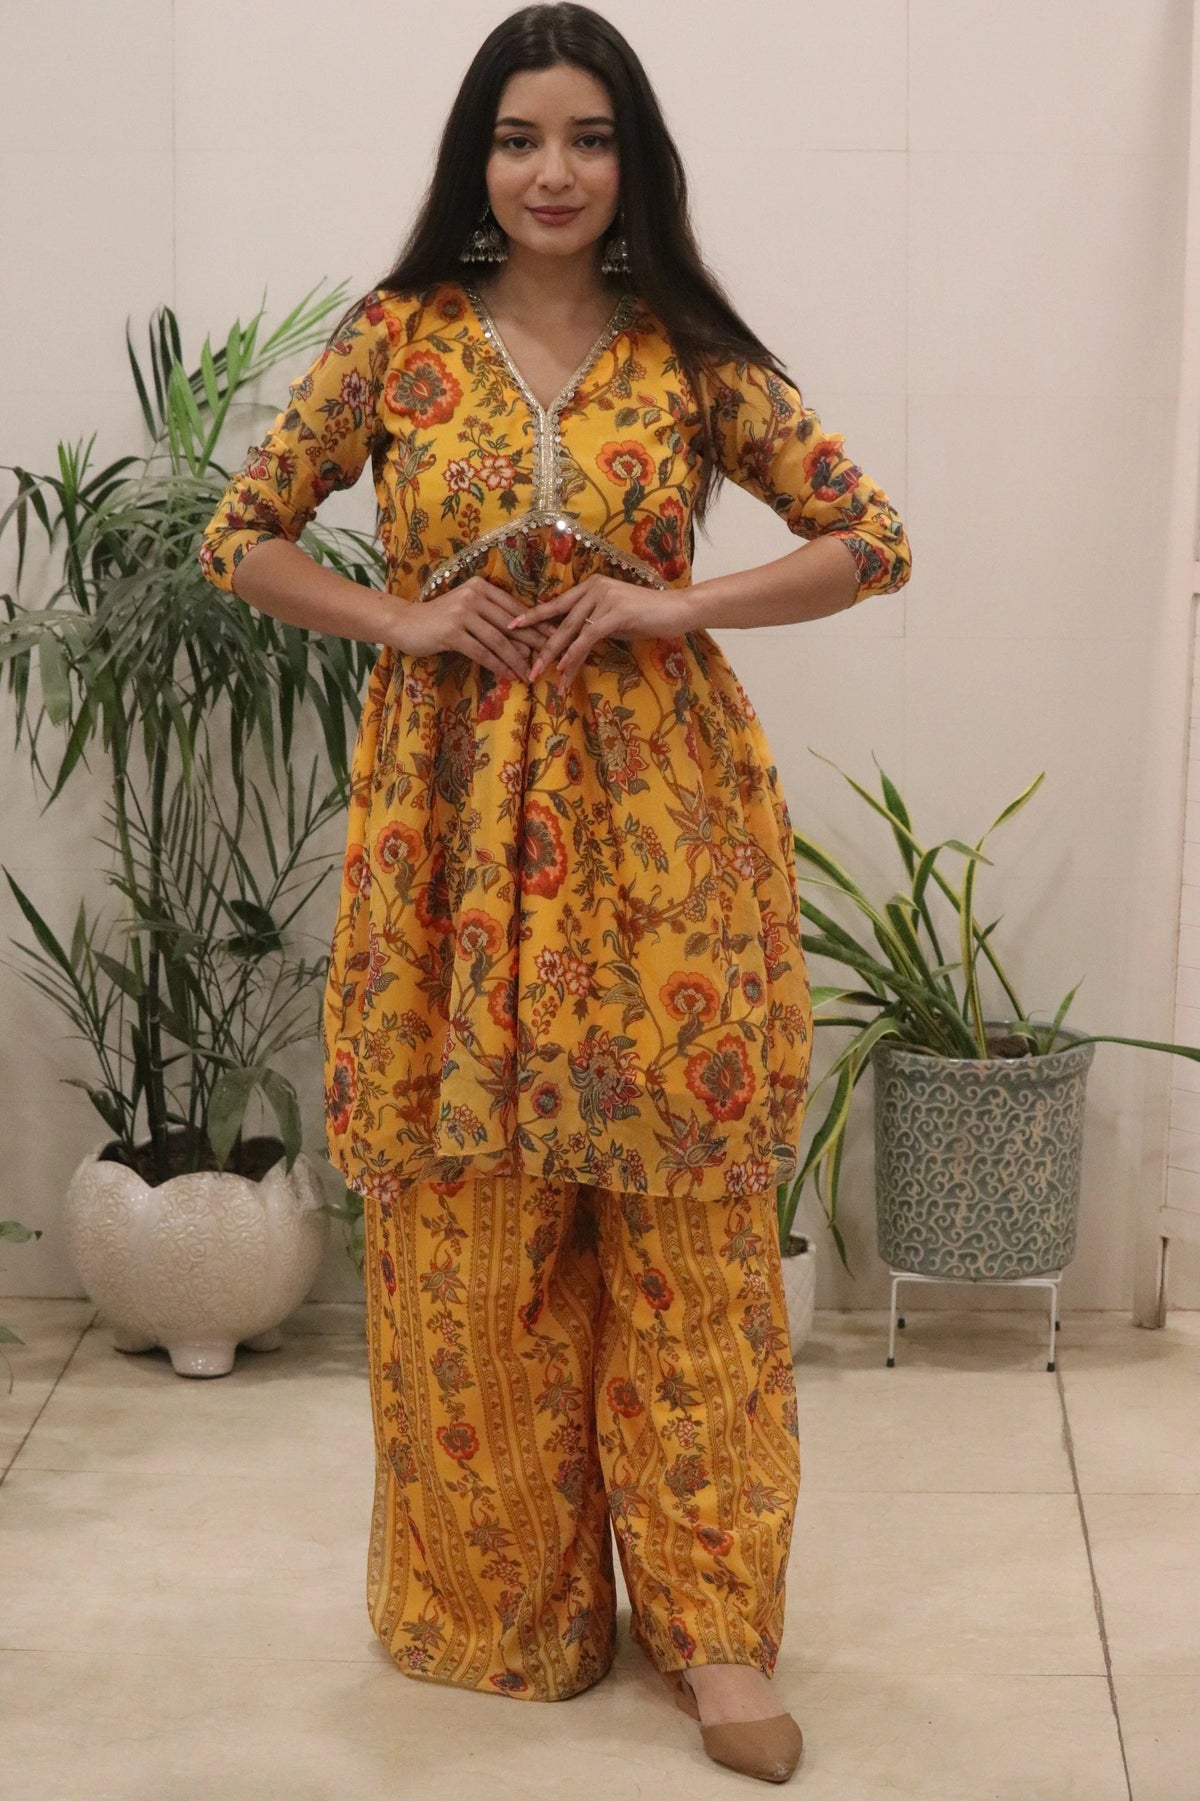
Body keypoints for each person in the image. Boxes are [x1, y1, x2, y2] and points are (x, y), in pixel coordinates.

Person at [198, 4, 910, 1783]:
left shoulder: (688, 351)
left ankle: (714, 1634)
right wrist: (406, 614)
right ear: (479, 156)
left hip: (662, 832)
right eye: (521, 138)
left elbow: (867, 538)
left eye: (589, 138)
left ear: (632, 160)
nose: (554, 172)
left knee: (687, 1234)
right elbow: (244, 536)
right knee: (472, 1224)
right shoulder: (396, 340)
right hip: (445, 831)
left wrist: (679, 603)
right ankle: (502, 1605)